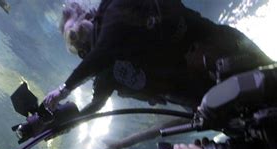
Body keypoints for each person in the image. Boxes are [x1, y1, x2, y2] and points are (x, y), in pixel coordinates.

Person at [42, 0, 272, 115]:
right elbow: (97, 102)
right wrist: (67, 119)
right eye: (79, 43)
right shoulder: (105, 70)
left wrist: (64, 88)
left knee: (269, 85)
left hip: (226, 55)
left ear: (89, 17)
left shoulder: (116, 8)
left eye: (79, 34)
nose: (83, 44)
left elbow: (105, 48)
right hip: (203, 100)